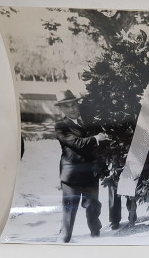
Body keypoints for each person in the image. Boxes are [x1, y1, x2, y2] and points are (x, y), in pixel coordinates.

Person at [54, 90, 110, 243]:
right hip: (72, 176)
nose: (72, 109)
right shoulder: (61, 126)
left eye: (73, 105)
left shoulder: (87, 122)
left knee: (93, 205)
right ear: (61, 109)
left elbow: (97, 147)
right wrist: (96, 138)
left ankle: (95, 231)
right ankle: (63, 239)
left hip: (90, 173)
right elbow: (77, 143)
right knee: (69, 210)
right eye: (67, 107)